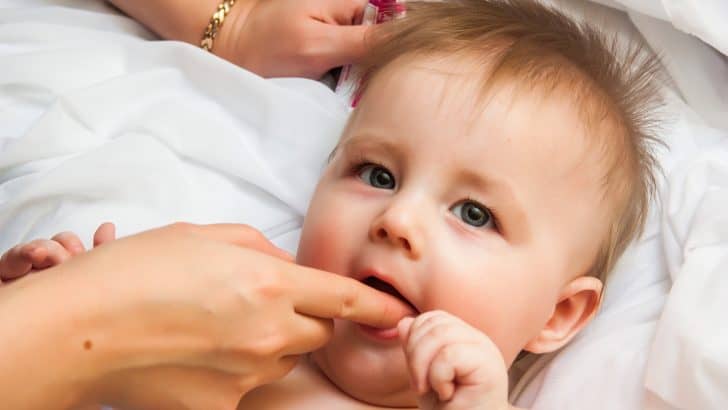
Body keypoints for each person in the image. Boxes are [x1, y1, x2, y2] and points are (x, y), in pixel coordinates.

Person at [1, 0, 664, 408]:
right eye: (376, 173)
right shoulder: (239, 338)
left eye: (473, 214)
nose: (396, 221)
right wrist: (80, 297)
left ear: (558, 314)